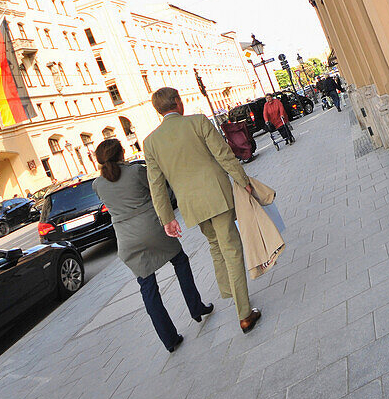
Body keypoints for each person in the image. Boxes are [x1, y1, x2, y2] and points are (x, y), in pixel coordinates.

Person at [142, 87, 262, 334]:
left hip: (191, 206)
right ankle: (244, 313)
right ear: (177, 102)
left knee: (215, 245)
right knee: (231, 247)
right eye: (181, 99)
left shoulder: (150, 142)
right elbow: (223, 155)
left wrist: (167, 219)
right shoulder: (197, 122)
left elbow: (156, 185)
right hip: (216, 195)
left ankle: (230, 291)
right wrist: (243, 180)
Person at [92, 139, 212, 352]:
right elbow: (159, 191)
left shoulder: (97, 185)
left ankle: (170, 339)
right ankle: (196, 308)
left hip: (127, 239)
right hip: (152, 228)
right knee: (180, 261)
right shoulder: (136, 171)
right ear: (121, 154)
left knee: (147, 286)